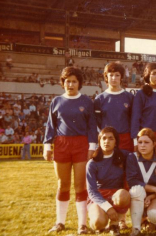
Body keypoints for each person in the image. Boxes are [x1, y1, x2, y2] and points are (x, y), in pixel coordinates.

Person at [44, 66, 98, 234]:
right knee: (63, 184)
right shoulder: (57, 101)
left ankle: (82, 224)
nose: (71, 84)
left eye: (74, 81)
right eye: (68, 81)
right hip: (61, 144)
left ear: (79, 83)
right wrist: (47, 146)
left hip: (81, 144)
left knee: (80, 186)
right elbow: (50, 126)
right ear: (63, 83)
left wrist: (92, 146)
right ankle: (60, 222)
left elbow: (92, 126)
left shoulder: (87, 101)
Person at [86, 127, 131, 235]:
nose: (106, 141)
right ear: (99, 141)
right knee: (98, 223)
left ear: (116, 142)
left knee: (123, 195)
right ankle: (103, 218)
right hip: (99, 196)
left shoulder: (124, 156)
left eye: (111, 138)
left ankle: (115, 224)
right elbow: (92, 191)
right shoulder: (92, 163)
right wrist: (107, 207)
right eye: (104, 138)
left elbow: (142, 154)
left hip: (117, 195)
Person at [126, 128, 156, 236]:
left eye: (146, 142)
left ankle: (154, 223)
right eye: (140, 142)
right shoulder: (132, 158)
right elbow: (132, 181)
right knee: (136, 190)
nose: (143, 145)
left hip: (154, 197)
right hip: (137, 196)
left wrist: (151, 196)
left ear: (154, 144)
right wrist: (154, 188)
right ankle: (136, 228)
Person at [94, 63, 134, 152]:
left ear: (121, 77)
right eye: (111, 75)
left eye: (117, 75)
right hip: (107, 139)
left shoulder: (129, 97)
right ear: (106, 77)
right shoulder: (100, 98)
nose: (114, 78)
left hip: (125, 138)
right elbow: (97, 121)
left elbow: (133, 120)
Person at [131, 63, 156, 153]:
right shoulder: (141, 94)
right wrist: (136, 141)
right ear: (147, 75)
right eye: (154, 73)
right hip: (146, 137)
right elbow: (135, 118)